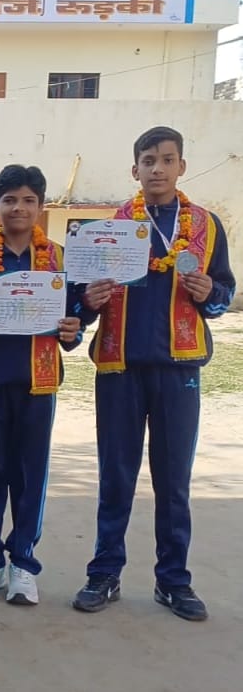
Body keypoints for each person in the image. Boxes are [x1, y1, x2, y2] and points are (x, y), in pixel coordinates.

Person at [73, 126, 234, 622]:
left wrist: (209, 293)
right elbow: (81, 303)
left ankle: (173, 580)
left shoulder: (206, 226)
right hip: (118, 367)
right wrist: (88, 301)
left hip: (178, 369)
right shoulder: (110, 229)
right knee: (115, 477)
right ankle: (104, 573)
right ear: (135, 169)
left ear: (181, 166)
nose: (157, 168)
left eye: (167, 159)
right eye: (148, 160)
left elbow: (224, 295)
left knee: (173, 480)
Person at [0, 164, 85, 606]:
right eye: (10, 200)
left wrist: (72, 330)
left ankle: (24, 564)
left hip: (38, 382)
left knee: (30, 476)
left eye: (29, 200)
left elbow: (75, 320)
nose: (19, 208)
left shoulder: (60, 261)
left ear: (41, 207)